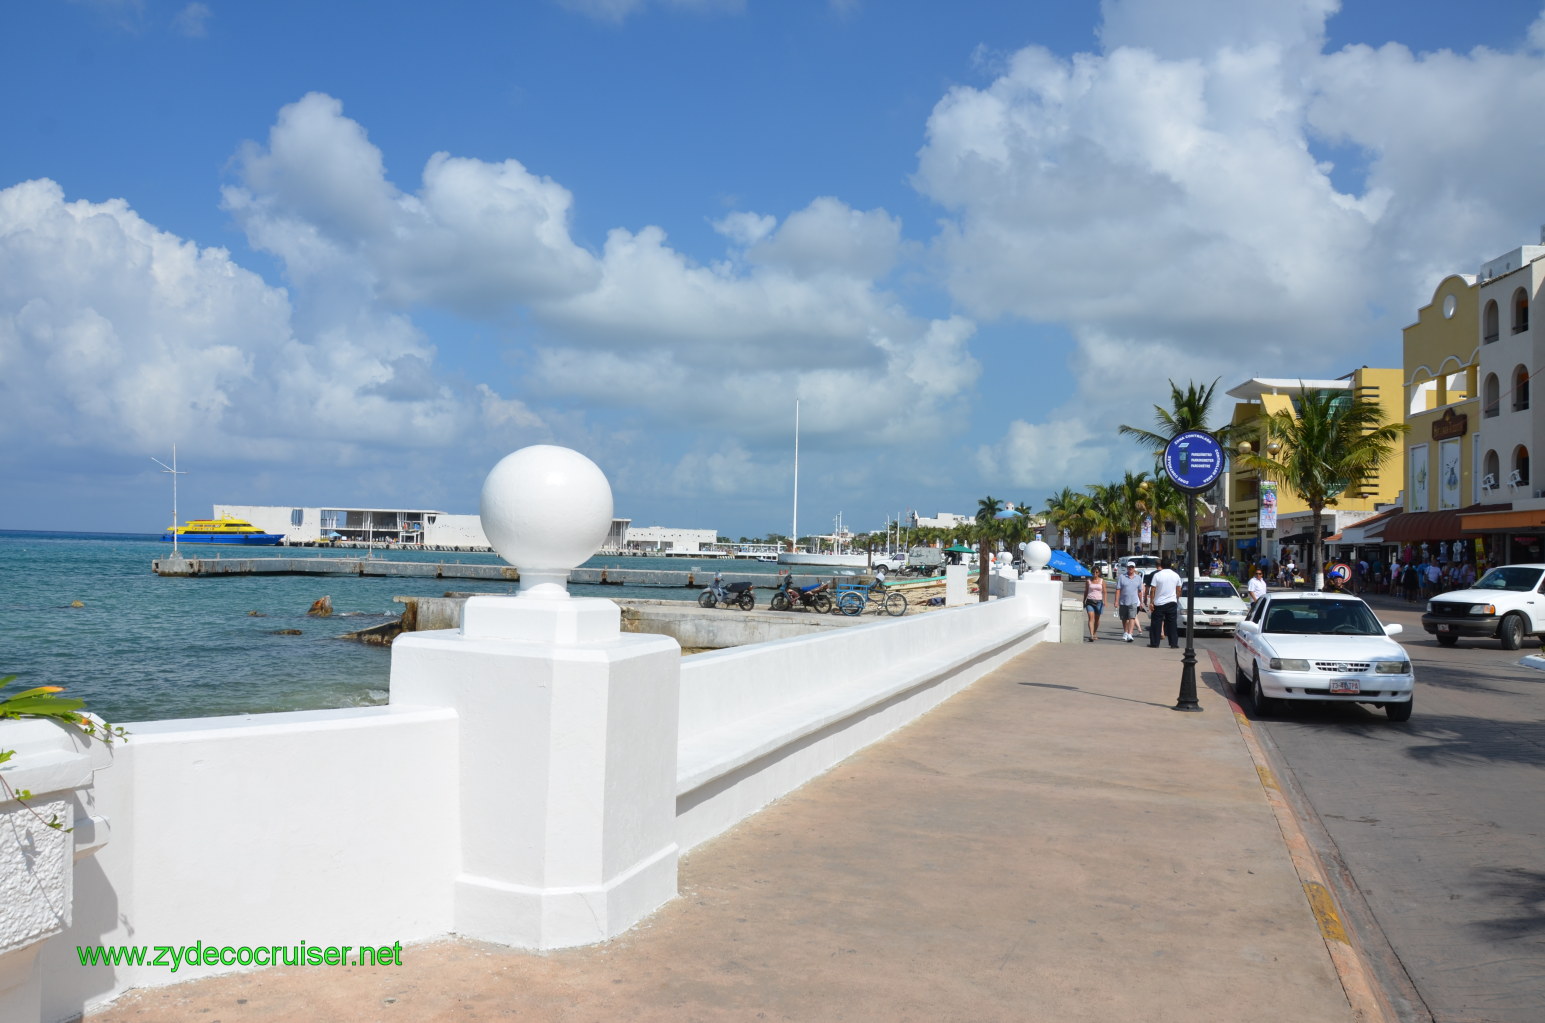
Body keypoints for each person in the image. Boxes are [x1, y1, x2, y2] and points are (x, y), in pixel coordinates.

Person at [1146, 558, 1181, 649]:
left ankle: (1155, 643)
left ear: (1161, 565)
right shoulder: (1176, 575)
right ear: (1170, 565)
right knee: (1172, 623)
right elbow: (1179, 590)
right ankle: (1173, 643)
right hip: (1172, 602)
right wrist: (1176, 598)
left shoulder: (1157, 575)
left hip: (1159, 603)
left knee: (1156, 624)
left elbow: (1153, 590)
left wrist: (1151, 602)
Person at [1116, 562, 1144, 642]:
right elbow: (1118, 590)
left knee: (1132, 617)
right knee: (1124, 618)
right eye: (1129, 567)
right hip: (1123, 601)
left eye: (1132, 567)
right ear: (1127, 568)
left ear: (1134, 568)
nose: (1130, 568)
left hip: (1134, 601)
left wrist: (1141, 602)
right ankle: (1125, 632)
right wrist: (1116, 601)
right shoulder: (1122, 577)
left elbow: (1139, 591)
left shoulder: (1138, 578)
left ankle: (1130, 634)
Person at [1083, 572, 1106, 642]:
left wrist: (1105, 601)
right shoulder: (1088, 581)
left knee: (1097, 619)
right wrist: (1084, 600)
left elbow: (1105, 591)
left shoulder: (1102, 581)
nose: (1095, 573)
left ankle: (1094, 633)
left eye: (1096, 572)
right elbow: (1086, 591)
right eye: (1094, 572)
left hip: (1099, 602)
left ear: (1099, 573)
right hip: (1090, 601)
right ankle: (1091, 635)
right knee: (1091, 618)